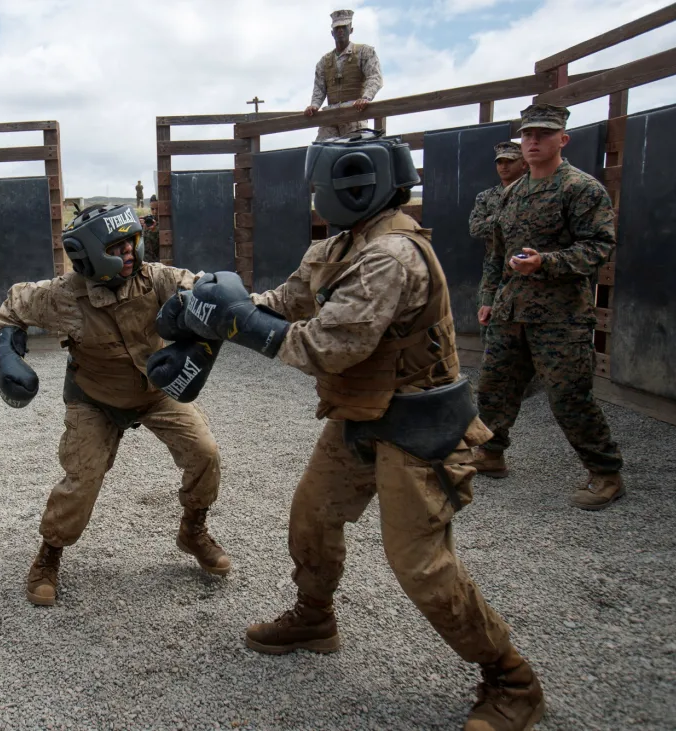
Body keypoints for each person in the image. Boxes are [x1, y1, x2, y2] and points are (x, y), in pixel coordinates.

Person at [161, 132, 544, 730]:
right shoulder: (342, 244)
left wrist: (238, 327)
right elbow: (286, 301)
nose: (314, 197)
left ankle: (512, 681)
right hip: (361, 414)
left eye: (320, 187)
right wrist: (208, 313)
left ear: (352, 183)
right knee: (312, 517)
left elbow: (328, 347)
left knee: (420, 563)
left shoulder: (391, 255)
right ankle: (315, 617)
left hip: (418, 426)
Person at [0, 203, 230, 606]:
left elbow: (204, 292)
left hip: (155, 392)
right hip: (94, 398)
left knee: (204, 452)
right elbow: (13, 306)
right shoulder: (61, 296)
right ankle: (49, 554)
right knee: (82, 479)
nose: (129, 255)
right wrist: (8, 351)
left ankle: (193, 529)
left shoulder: (157, 279)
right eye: (116, 248)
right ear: (89, 254)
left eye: (132, 244)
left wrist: (226, 300)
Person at [473, 104, 624, 510]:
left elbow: (599, 246)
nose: (533, 141)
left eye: (543, 134)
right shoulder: (513, 193)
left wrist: (548, 261)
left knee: (568, 394)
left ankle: (606, 472)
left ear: (563, 139)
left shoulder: (581, 188)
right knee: (493, 386)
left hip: (561, 315)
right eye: (527, 135)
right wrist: (488, 299)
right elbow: (495, 253)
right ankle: (490, 453)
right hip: (511, 310)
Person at [469, 141, 527, 346]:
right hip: (494, 269)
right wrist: (505, 220)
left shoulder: (532, 193)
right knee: (489, 327)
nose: (504, 166)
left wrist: (492, 220)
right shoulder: (486, 197)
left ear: (523, 163)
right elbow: (475, 228)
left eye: (510, 161)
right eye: (500, 162)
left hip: (528, 269)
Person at [305, 9, 383, 141]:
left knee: (356, 150)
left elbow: (375, 77)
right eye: (337, 28)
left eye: (344, 27)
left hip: (354, 113)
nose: (340, 31)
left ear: (351, 30)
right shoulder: (324, 62)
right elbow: (319, 88)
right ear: (332, 33)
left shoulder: (364, 52)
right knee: (322, 150)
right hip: (331, 115)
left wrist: (366, 98)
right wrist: (314, 105)